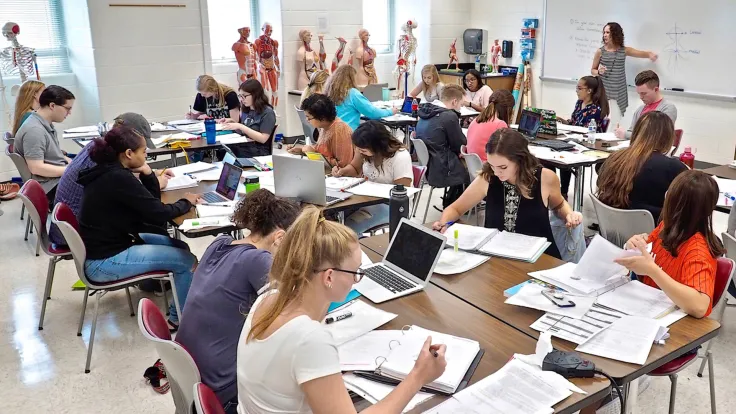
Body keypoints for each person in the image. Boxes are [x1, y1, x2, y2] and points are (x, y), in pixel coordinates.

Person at [236, 206, 447, 413]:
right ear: (329, 277)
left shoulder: (267, 299)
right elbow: (306, 346)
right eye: (355, 272)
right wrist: (418, 376)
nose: (356, 280)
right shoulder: (309, 339)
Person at [176, 189, 300, 413]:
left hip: (193, 371)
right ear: (280, 237)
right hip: (225, 387)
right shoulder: (257, 259)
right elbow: (290, 310)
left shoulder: (219, 244)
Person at [77, 126, 201, 329]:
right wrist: (186, 202)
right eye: (144, 152)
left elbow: (149, 205)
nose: (147, 155)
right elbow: (157, 213)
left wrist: (146, 172)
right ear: (128, 153)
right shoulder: (118, 178)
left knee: (180, 247)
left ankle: (178, 303)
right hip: (105, 262)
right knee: (188, 261)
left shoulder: (106, 170)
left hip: (106, 247)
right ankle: (177, 319)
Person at [432, 128, 583, 260]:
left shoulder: (546, 178)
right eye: (492, 165)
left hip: (540, 259)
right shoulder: (487, 178)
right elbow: (455, 209)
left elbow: (559, 205)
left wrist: (569, 214)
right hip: (496, 258)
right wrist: (444, 223)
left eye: (503, 167)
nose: (497, 172)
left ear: (520, 160)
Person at [49, 113, 174, 246]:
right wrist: (155, 182)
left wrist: (152, 172)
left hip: (71, 225)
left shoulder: (98, 148)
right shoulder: (101, 162)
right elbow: (130, 189)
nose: (145, 153)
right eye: (142, 149)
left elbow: (124, 177)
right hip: (79, 234)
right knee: (152, 220)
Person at [615, 171, 724, 319]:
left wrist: (652, 270)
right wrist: (632, 246)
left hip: (672, 321)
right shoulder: (667, 227)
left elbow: (699, 306)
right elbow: (645, 247)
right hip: (648, 305)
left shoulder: (698, 251)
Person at [596, 111, 688, 223]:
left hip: (611, 228)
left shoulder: (615, 157)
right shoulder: (672, 167)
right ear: (668, 137)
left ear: (637, 133)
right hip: (650, 234)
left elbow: (599, 177)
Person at [332, 121, 413, 235]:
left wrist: (371, 191)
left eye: (363, 150)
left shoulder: (400, 157)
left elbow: (402, 191)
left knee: (348, 230)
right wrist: (341, 171)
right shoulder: (363, 150)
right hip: (366, 200)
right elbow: (354, 169)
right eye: (358, 149)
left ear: (378, 146)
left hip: (391, 205)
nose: (360, 152)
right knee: (332, 221)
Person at [591, 22, 658, 126]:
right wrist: (599, 72)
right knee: (601, 120)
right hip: (604, 91)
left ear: (615, 33)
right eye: (604, 32)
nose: (605, 35)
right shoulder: (600, 52)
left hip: (619, 92)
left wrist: (649, 54)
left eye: (607, 32)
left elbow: (640, 53)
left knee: (616, 121)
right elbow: (593, 70)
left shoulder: (624, 50)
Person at [13, 85, 74, 198]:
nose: (69, 113)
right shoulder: (35, 130)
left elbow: (52, 154)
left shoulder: (42, 123)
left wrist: (69, 161)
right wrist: (71, 169)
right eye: (67, 108)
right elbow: (36, 167)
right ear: (52, 105)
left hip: (53, 181)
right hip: (50, 188)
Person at [415, 84, 468, 208]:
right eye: (461, 104)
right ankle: (459, 206)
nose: (460, 108)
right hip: (442, 167)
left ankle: (452, 201)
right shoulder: (448, 116)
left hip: (429, 165)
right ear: (454, 101)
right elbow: (460, 144)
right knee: (471, 166)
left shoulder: (425, 111)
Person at [556, 76, 609, 197]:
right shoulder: (579, 103)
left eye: (580, 88)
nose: (577, 91)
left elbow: (586, 130)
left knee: (565, 157)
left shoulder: (595, 110)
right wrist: (561, 121)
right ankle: (557, 189)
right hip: (573, 139)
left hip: (587, 143)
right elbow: (574, 122)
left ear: (589, 90)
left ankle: (563, 191)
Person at [288, 93, 354, 168]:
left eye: (309, 118)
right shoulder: (324, 127)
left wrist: (314, 154)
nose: (307, 120)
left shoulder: (340, 130)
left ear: (322, 118)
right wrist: (302, 151)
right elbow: (321, 150)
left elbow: (343, 164)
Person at [324, 65, 396, 131]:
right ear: (351, 78)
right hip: (348, 135)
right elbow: (372, 112)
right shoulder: (352, 94)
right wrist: (390, 111)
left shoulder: (328, 93)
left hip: (332, 135)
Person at [614, 70, 678, 140]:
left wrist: (625, 134)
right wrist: (622, 133)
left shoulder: (668, 108)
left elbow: (657, 137)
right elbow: (632, 131)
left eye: (644, 93)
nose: (641, 97)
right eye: (639, 93)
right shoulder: (640, 110)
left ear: (656, 90)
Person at [221, 79, 277, 157]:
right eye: (240, 96)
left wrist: (240, 126)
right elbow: (244, 131)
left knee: (224, 153)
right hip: (245, 145)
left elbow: (263, 139)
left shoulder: (268, 113)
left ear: (255, 94)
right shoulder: (246, 109)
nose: (241, 99)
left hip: (258, 151)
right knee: (221, 149)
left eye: (244, 96)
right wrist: (233, 124)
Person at [466, 89, 515, 162]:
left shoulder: (475, 120)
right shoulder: (500, 124)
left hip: (475, 167)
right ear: (508, 109)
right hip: (489, 168)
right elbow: (507, 151)